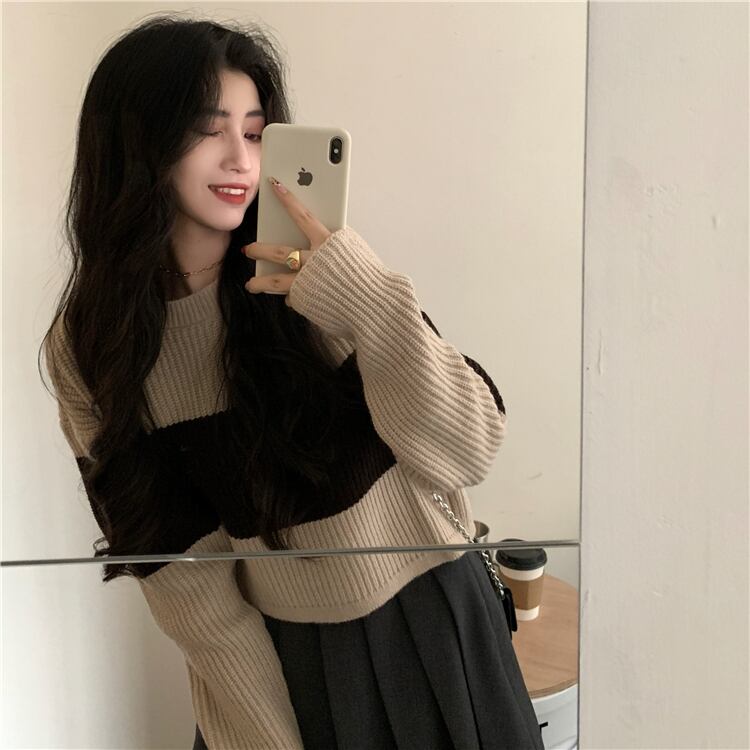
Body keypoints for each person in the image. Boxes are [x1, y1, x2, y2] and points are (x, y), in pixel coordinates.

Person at [40, 14, 544, 750]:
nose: (240, 159)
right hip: (281, 662)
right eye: (208, 129)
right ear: (135, 144)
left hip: (432, 620)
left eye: (255, 133)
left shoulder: (317, 272)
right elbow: (189, 589)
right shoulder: (92, 348)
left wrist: (367, 298)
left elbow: (469, 450)